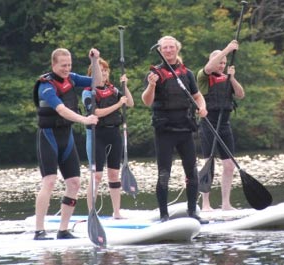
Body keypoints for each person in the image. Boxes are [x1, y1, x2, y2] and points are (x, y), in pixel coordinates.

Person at [33, 47, 102, 240]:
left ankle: (63, 230)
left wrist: (95, 61)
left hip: (66, 137)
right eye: (63, 65)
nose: (66, 68)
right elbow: (62, 110)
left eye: (69, 65)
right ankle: (39, 230)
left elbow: (98, 82)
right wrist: (85, 119)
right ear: (54, 64)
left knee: (74, 182)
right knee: (50, 181)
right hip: (49, 137)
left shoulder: (71, 78)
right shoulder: (45, 85)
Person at [142, 35, 209, 224]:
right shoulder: (155, 73)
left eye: (171, 47)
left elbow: (197, 96)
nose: (169, 50)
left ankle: (192, 212)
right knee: (164, 174)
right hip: (164, 129)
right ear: (161, 50)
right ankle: (164, 215)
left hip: (185, 128)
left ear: (177, 49)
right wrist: (152, 85)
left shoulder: (186, 73)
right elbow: (146, 101)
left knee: (192, 172)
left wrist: (202, 107)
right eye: (165, 48)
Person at [82, 57, 134, 219]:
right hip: (97, 135)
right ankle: (92, 212)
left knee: (113, 174)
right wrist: (119, 105)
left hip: (114, 134)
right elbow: (96, 113)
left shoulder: (113, 90)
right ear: (93, 74)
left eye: (105, 70)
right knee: (96, 176)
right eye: (100, 71)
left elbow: (130, 103)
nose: (103, 73)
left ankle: (117, 212)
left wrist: (125, 86)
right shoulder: (88, 91)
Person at [197, 40, 245, 211]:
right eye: (219, 62)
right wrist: (228, 49)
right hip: (208, 123)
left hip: (224, 124)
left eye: (224, 63)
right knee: (208, 164)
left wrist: (232, 78)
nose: (222, 65)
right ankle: (206, 204)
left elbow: (240, 94)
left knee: (229, 165)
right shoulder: (203, 76)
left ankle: (226, 203)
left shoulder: (227, 78)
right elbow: (209, 68)